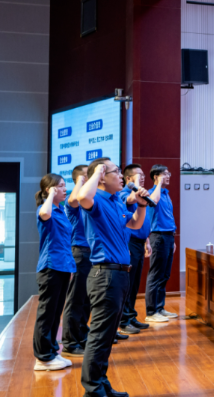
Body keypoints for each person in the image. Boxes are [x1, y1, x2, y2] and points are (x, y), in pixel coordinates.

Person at [77, 157, 150, 397]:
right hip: (105, 275)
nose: (121, 176)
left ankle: (101, 383)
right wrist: (96, 171)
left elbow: (135, 224)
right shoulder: (95, 199)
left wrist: (141, 205)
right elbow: (82, 197)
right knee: (99, 335)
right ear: (101, 177)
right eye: (116, 172)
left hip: (119, 275)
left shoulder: (116, 201)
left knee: (107, 336)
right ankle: (93, 389)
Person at [33, 173, 76, 371]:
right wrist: (49, 195)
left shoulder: (61, 211)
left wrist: (70, 268)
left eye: (65, 185)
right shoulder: (45, 208)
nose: (64, 189)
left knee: (55, 313)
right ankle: (42, 358)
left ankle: (51, 352)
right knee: (47, 313)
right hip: (50, 267)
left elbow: (65, 243)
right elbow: (44, 214)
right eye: (60, 186)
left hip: (63, 267)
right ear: (49, 189)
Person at [117, 164, 152, 335]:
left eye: (143, 175)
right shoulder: (124, 193)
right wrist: (135, 186)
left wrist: (147, 241)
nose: (143, 178)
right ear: (128, 179)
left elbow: (143, 222)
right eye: (139, 175)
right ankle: (123, 320)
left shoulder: (141, 194)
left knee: (135, 282)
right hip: (130, 243)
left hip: (140, 242)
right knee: (128, 283)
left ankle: (131, 316)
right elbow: (131, 199)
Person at [61, 165, 91, 357]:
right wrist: (81, 180)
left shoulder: (89, 199)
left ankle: (81, 335)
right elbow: (73, 200)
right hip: (79, 252)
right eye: (89, 175)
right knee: (75, 299)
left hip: (91, 253)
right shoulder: (73, 200)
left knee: (87, 299)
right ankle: (70, 343)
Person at [145, 164, 178, 323]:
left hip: (168, 236)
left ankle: (160, 308)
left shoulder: (166, 194)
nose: (168, 176)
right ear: (156, 176)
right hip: (158, 236)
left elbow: (169, 217)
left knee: (165, 274)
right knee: (155, 274)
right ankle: (151, 312)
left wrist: (173, 238)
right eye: (165, 174)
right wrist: (158, 184)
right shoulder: (152, 193)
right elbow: (153, 201)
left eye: (169, 173)